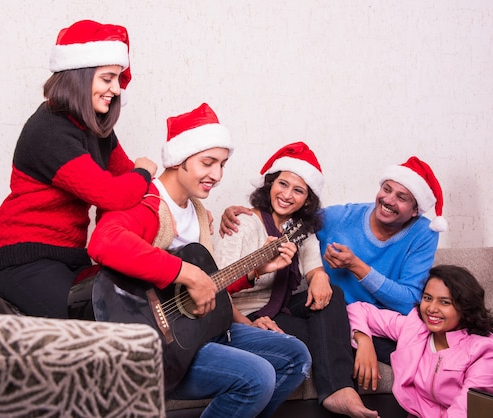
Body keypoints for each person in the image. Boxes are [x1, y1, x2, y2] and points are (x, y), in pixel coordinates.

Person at [87, 103, 311, 418]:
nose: (217, 175)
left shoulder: (199, 212)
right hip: (155, 345)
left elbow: (205, 288)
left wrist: (256, 271)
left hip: (197, 330)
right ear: (179, 158)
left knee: (296, 356)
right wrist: (186, 273)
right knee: (257, 376)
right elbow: (105, 242)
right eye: (208, 162)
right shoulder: (147, 200)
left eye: (223, 164)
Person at [0, 20, 157, 318]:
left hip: (71, 256)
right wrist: (143, 171)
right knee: (92, 326)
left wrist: (163, 196)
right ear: (80, 77)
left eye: (118, 79)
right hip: (25, 259)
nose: (116, 89)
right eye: (107, 79)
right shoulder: (50, 128)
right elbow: (113, 194)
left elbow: (126, 182)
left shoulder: (96, 129)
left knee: (125, 316)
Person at [220, 156, 447, 364]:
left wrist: (341, 270)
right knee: (332, 316)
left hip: (384, 320)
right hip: (338, 317)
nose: (388, 200)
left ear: (415, 210)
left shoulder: (424, 235)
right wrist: (235, 212)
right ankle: (340, 390)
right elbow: (297, 217)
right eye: (386, 189)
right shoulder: (340, 217)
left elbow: (409, 302)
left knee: (418, 355)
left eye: (402, 197)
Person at [214, 142, 379, 418]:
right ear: (270, 184)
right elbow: (218, 290)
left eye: (298, 190)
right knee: (324, 338)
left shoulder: (299, 229)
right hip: (244, 313)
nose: (287, 195)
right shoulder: (242, 223)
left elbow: (314, 267)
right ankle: (344, 379)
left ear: (307, 199)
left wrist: (319, 277)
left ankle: (338, 391)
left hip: (280, 306)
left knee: (333, 295)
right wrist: (250, 324)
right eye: (283, 184)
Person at [348, 264, 493, 417]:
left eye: (445, 302)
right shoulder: (415, 327)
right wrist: (364, 342)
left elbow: (468, 409)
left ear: (465, 307)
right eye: (428, 298)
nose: (431, 308)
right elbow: (359, 309)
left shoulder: (485, 350)